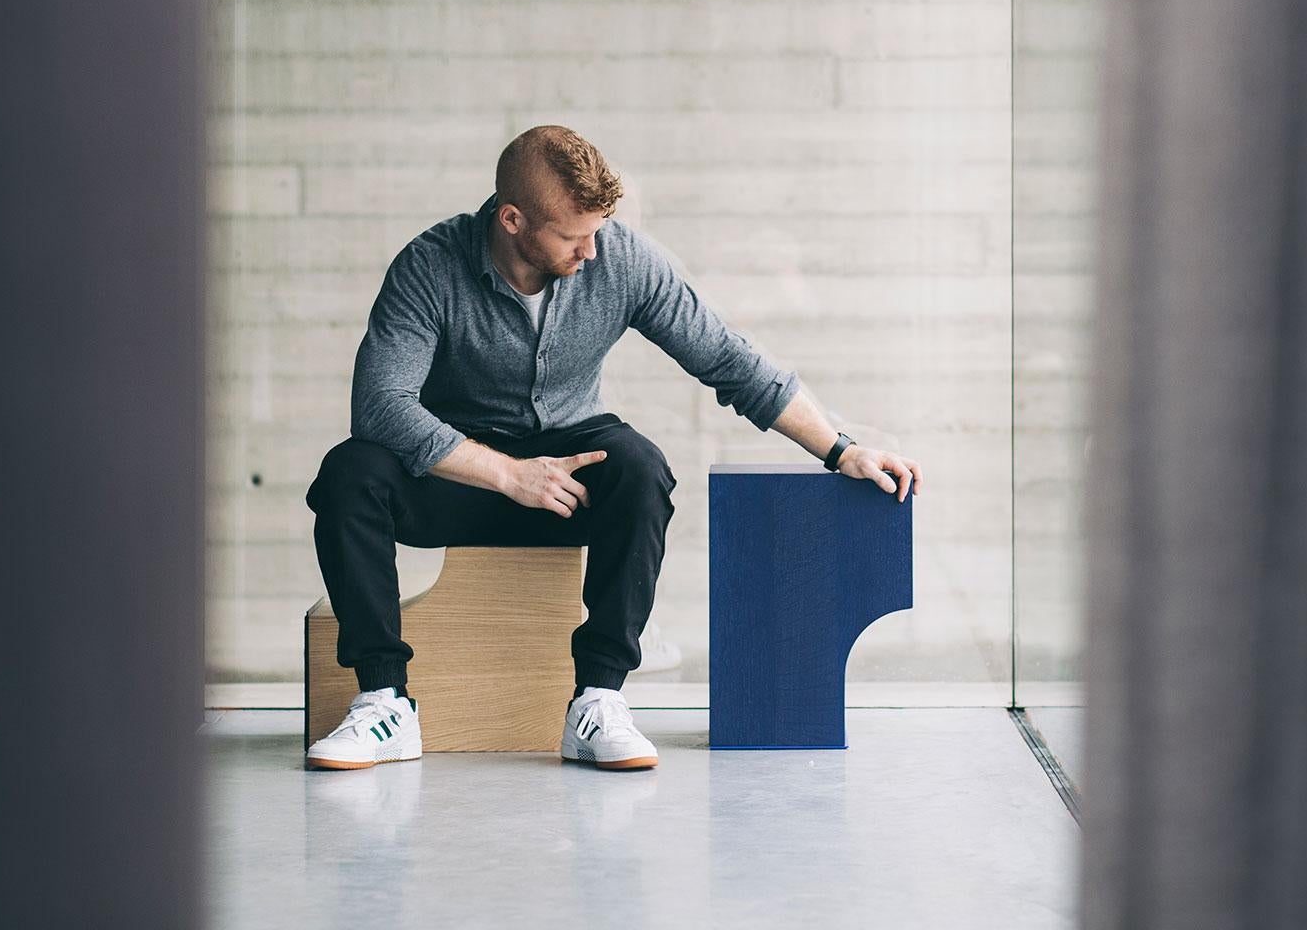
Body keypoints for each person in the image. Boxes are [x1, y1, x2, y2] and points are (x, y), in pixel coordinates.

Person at [302, 125, 925, 772]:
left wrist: (841, 450)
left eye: (598, 230)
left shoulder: (620, 258)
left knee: (639, 466)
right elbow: (380, 404)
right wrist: (508, 474)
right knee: (350, 472)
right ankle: (384, 704)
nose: (592, 251)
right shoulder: (430, 265)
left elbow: (729, 359)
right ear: (512, 220)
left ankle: (598, 700)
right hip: (459, 475)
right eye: (573, 236)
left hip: (570, 473)